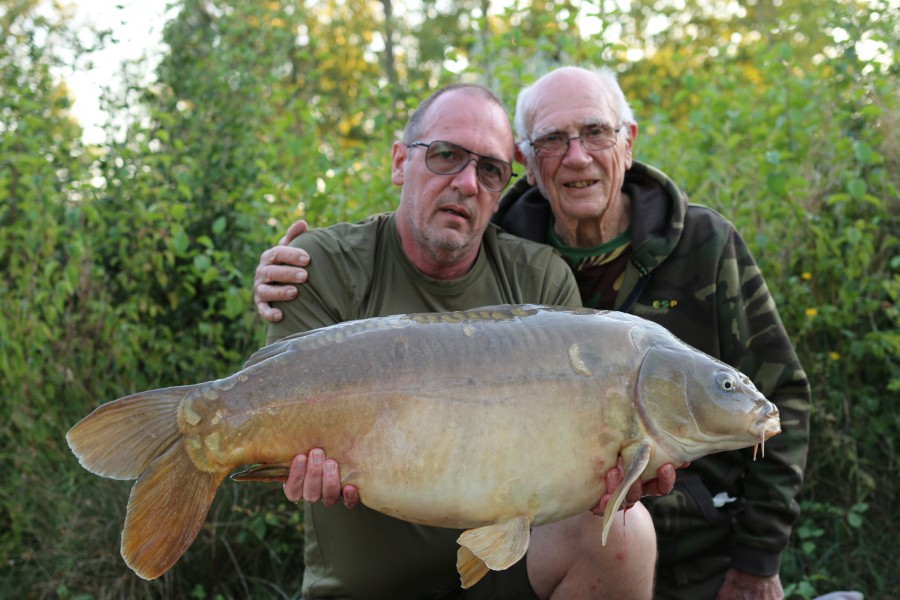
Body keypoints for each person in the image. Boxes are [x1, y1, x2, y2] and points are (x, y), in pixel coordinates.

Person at [255, 67, 810, 600]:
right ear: (531, 160)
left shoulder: (675, 249)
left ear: (628, 140)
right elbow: (408, 242)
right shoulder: (352, 258)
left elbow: (780, 390)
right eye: (553, 139)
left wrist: (757, 561)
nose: (577, 156)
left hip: (670, 546)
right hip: (385, 571)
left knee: (624, 531)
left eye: (595, 131)